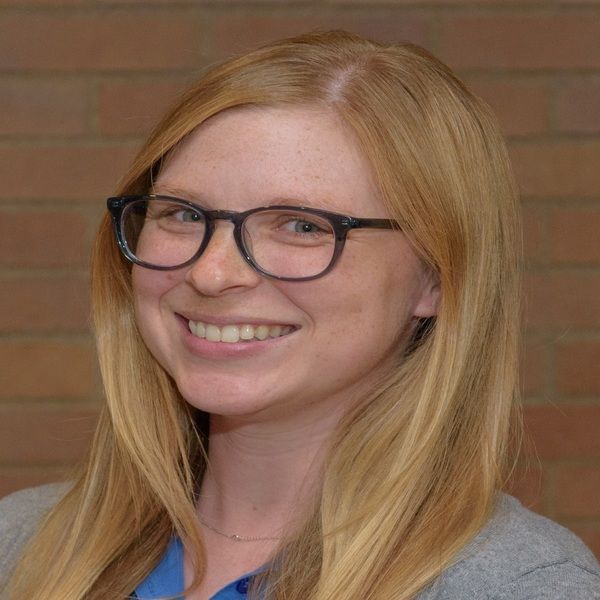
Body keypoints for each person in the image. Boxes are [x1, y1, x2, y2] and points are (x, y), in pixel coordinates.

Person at [1, 30, 599, 600]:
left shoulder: (519, 584)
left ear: (436, 278)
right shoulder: (22, 545)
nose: (211, 273)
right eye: (183, 214)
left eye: (302, 225)